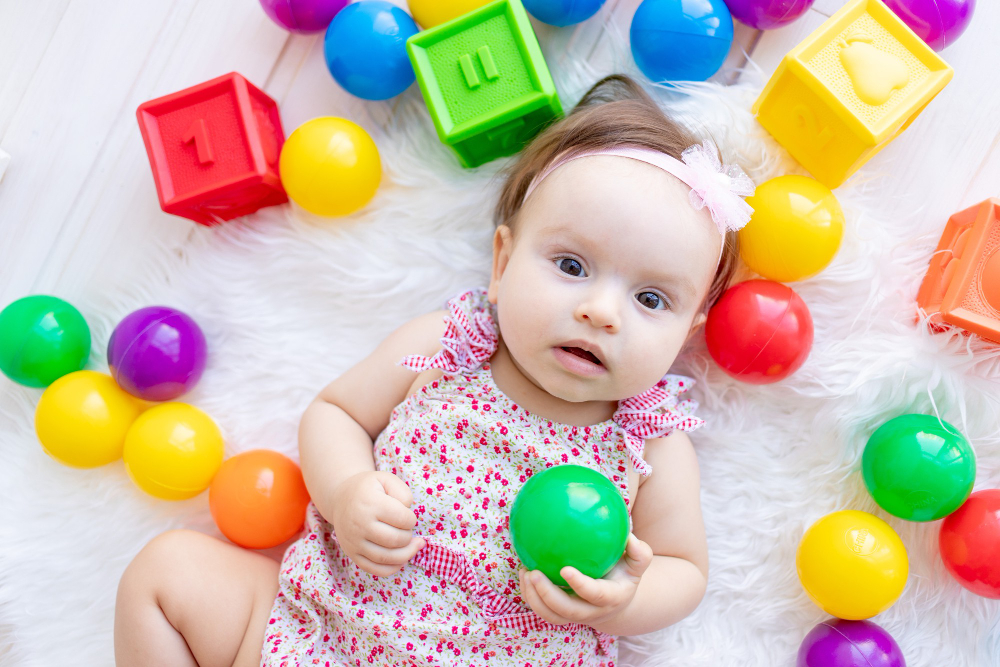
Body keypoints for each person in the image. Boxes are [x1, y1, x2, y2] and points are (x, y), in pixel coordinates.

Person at [114, 74, 754, 667]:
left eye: (650, 300)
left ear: (688, 330)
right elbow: (336, 414)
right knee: (166, 574)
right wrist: (346, 492)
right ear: (502, 264)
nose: (600, 311)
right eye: (571, 266)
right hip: (322, 628)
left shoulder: (648, 440)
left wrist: (624, 599)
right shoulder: (449, 346)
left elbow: (682, 568)